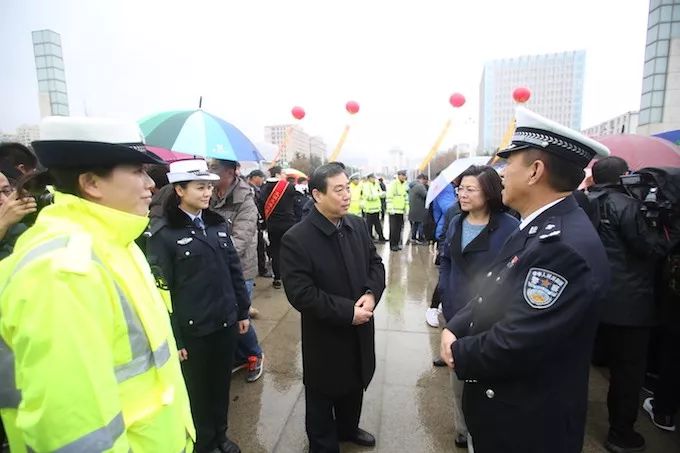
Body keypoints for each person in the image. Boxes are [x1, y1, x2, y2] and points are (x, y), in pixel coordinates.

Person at [0, 117, 194, 453]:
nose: (151, 184)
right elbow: (72, 433)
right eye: (137, 171)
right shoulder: (63, 272)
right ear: (91, 183)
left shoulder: (115, 241)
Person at [440, 107, 611, 453]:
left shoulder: (562, 247)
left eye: (509, 164)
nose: (501, 173)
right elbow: (496, 287)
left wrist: (458, 351)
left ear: (534, 171)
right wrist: (456, 323)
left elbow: (520, 341)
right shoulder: (537, 226)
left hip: (526, 427)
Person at [280, 163, 386, 453]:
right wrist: (347, 312)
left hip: (361, 326)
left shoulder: (357, 226)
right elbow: (301, 293)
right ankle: (324, 443)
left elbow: (375, 264)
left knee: (355, 383)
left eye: (347, 188)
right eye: (338, 190)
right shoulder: (297, 239)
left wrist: (371, 293)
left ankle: (348, 429)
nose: (346, 195)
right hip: (325, 334)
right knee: (323, 395)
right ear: (316, 194)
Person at [149, 159, 249, 453]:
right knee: (197, 391)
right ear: (179, 190)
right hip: (193, 330)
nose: (208, 192)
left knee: (221, 386)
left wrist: (242, 311)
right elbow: (162, 292)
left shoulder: (217, 225)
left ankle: (221, 435)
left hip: (225, 322)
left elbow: (234, 271)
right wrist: (175, 338)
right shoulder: (164, 234)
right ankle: (204, 443)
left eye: (209, 186)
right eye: (200, 187)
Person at [588, 156, 679, 452]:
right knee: (627, 374)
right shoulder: (627, 206)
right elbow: (650, 248)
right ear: (624, 175)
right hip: (629, 305)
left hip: (592, 299)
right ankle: (621, 434)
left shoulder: (583, 201)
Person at [437, 165, 519, 448]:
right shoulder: (455, 221)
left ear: (489, 192)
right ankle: (462, 429)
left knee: (485, 380)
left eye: (470, 189)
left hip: (490, 316)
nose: (462, 194)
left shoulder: (510, 227)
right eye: (460, 189)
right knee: (458, 376)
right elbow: (445, 258)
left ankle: (482, 432)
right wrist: (446, 291)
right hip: (456, 310)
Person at [208, 158, 265, 383]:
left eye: (215, 169)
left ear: (230, 172)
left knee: (237, 317)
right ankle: (239, 356)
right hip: (212, 266)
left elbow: (241, 239)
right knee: (224, 317)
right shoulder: (208, 193)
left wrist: (206, 250)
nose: (210, 174)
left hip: (239, 268)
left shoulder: (246, 199)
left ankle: (254, 354)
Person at [259, 165, 297, 289]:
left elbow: (261, 207)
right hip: (289, 224)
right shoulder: (288, 187)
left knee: (275, 250)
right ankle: (292, 276)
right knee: (291, 250)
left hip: (272, 225)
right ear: (278, 174)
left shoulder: (263, 188)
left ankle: (277, 278)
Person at [247, 169, 271, 277]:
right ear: (255, 177)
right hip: (253, 222)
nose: (262, 180)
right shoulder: (249, 190)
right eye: (261, 178)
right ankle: (262, 269)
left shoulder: (257, 189)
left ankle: (261, 268)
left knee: (260, 245)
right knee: (259, 246)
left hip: (256, 221)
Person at [386, 170, 409, 251]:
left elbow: (406, 198)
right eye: (402, 175)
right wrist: (390, 208)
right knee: (393, 229)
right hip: (393, 211)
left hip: (401, 211)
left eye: (404, 175)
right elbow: (389, 197)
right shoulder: (393, 184)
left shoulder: (405, 185)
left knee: (399, 229)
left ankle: (397, 244)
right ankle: (392, 245)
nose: (404, 177)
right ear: (398, 175)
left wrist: (407, 209)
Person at [362, 173, 387, 242]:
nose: (374, 179)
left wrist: (382, 194)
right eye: (373, 178)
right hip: (369, 209)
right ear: (369, 178)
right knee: (369, 225)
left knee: (377, 224)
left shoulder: (376, 184)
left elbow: (380, 193)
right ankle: (369, 238)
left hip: (376, 208)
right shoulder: (366, 186)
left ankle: (381, 237)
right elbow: (368, 197)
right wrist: (378, 195)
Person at [408, 173, 428, 244]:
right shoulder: (420, 186)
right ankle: (420, 238)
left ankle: (413, 238)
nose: (426, 182)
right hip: (420, 209)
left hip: (413, 208)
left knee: (415, 224)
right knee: (421, 224)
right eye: (425, 180)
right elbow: (426, 195)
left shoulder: (413, 185)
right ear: (421, 179)